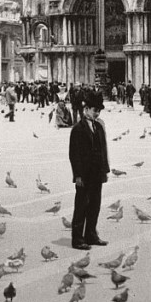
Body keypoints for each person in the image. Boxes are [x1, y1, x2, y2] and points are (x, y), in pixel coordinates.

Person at [68, 91, 110, 250]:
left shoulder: (99, 126)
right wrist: (77, 175)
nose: (97, 113)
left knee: (95, 205)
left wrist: (105, 170)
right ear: (86, 110)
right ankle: (77, 239)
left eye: (99, 110)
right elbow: (74, 154)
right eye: (94, 110)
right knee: (81, 206)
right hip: (84, 175)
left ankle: (91, 235)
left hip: (97, 173)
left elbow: (103, 149)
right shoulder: (78, 129)